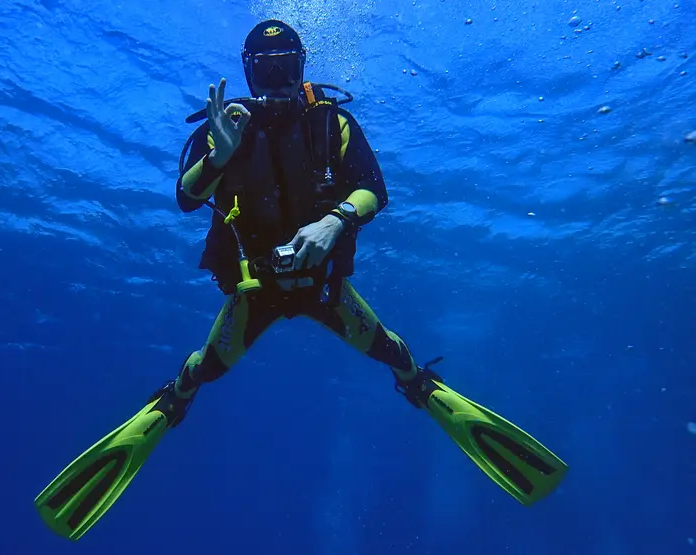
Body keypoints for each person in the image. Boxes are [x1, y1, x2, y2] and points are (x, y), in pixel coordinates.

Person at [34, 20, 568, 541]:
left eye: (286, 68)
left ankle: (416, 383)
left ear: (302, 67)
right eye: (265, 72)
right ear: (247, 74)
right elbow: (186, 198)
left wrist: (336, 219)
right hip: (255, 290)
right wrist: (219, 155)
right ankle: (176, 397)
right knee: (204, 368)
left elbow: (373, 189)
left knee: (391, 351)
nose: (276, 83)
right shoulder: (221, 127)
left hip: (324, 287)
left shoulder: (331, 124)